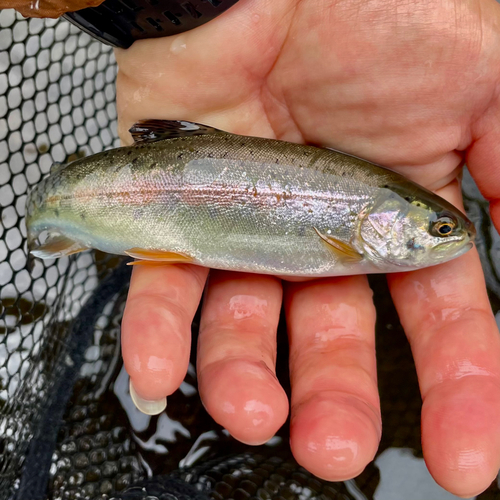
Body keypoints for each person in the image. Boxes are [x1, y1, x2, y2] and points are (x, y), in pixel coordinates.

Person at [6, 0, 500, 496]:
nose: (452, 238)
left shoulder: (367, 210)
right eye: (439, 229)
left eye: (439, 230)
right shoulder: (355, 235)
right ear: (387, 221)